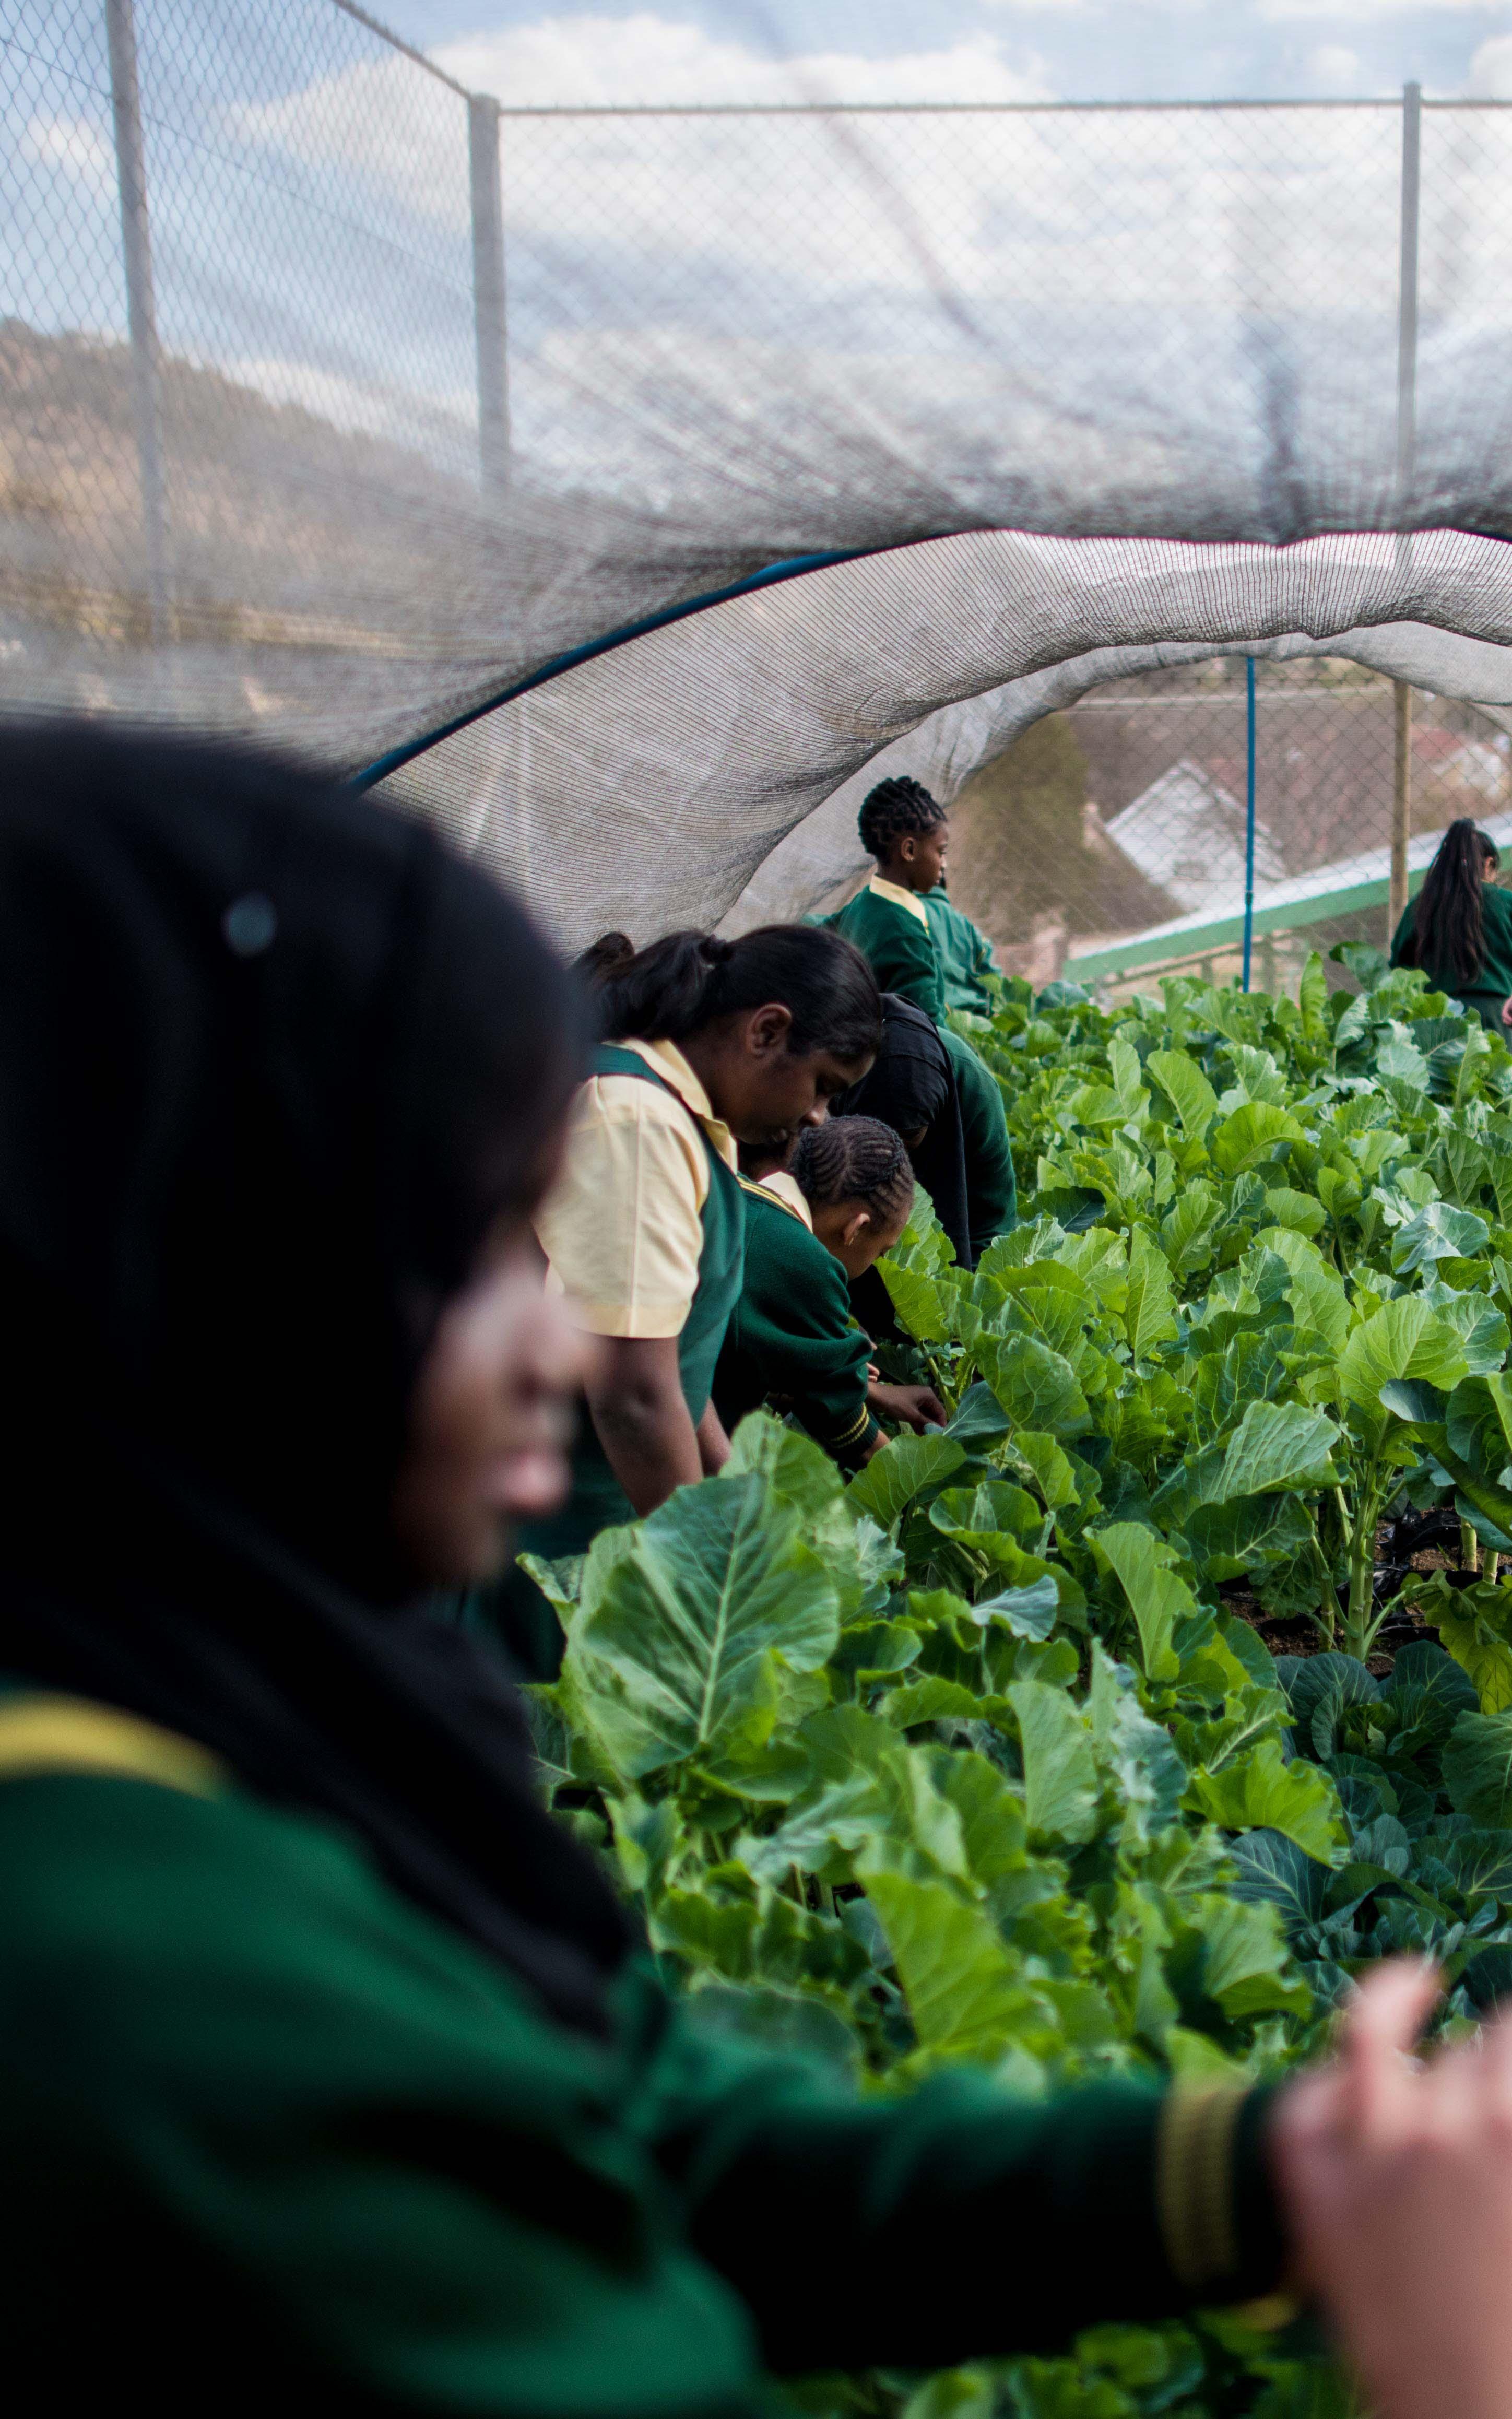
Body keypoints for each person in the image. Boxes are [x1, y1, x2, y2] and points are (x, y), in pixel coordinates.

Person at [2, 728, 1508, 2418]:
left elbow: (643, 2135)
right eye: (481, 1247)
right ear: (196, 1283)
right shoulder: (123, 1988)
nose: (566, 1348)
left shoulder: (246, 1738)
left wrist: (1271, 2170)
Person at [495, 922, 881, 1676]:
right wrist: (710, 1590)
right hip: (556, 1539)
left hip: (603, 1527)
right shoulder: (634, 1118)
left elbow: (670, 1356)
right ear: (767, 1031)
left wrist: (735, 1502)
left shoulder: (686, 1125)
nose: (816, 1118)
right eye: (824, 1086)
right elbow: (633, 1393)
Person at [834, 778, 1016, 1252]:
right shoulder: (905, 925)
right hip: (901, 1084)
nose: (945, 864)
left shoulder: (857, 909)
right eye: (942, 852)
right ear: (910, 849)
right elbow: (926, 1029)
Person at [714, 1117, 945, 1466]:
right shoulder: (806, 1264)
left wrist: (874, 1393)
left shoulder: (730, 1188)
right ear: (856, 1228)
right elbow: (848, 1429)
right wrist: (929, 1482)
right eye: (882, 1251)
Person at [1389, 817, 1512, 1029]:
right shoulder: (1505, 902)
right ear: (1488, 865)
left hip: (1435, 1020)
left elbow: (1399, 968)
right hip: (1499, 1018)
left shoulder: (1420, 906)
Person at [922, 876, 1003, 1016]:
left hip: (931, 1017)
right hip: (973, 1017)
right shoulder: (967, 926)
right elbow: (993, 978)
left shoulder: (905, 915)